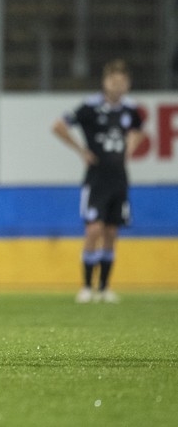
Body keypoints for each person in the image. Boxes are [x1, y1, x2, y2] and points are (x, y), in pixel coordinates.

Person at [52, 59, 144, 304]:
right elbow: (60, 125)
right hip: (96, 178)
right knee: (93, 229)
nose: (118, 86)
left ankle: (104, 288)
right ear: (105, 82)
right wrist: (81, 150)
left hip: (119, 179)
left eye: (122, 82)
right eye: (114, 81)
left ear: (127, 84)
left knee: (112, 231)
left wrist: (130, 147)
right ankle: (86, 286)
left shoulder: (130, 110)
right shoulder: (91, 108)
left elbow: (137, 130)